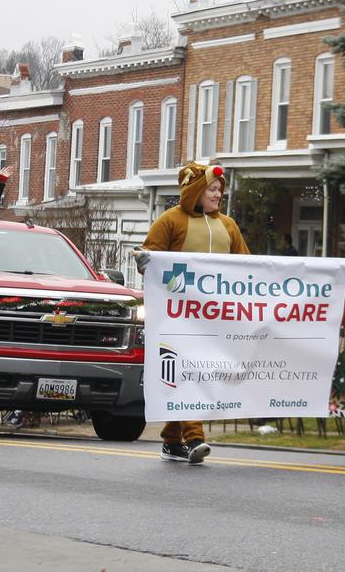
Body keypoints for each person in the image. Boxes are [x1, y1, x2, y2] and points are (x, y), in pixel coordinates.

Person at [135, 161, 249, 465]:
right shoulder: (171, 220)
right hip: (178, 315)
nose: (217, 195)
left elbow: (248, 266)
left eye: (219, 190)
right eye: (211, 189)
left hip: (216, 317)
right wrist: (144, 261)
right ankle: (195, 436)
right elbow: (150, 255)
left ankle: (172, 442)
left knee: (202, 371)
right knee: (191, 371)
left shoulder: (229, 225)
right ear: (195, 191)